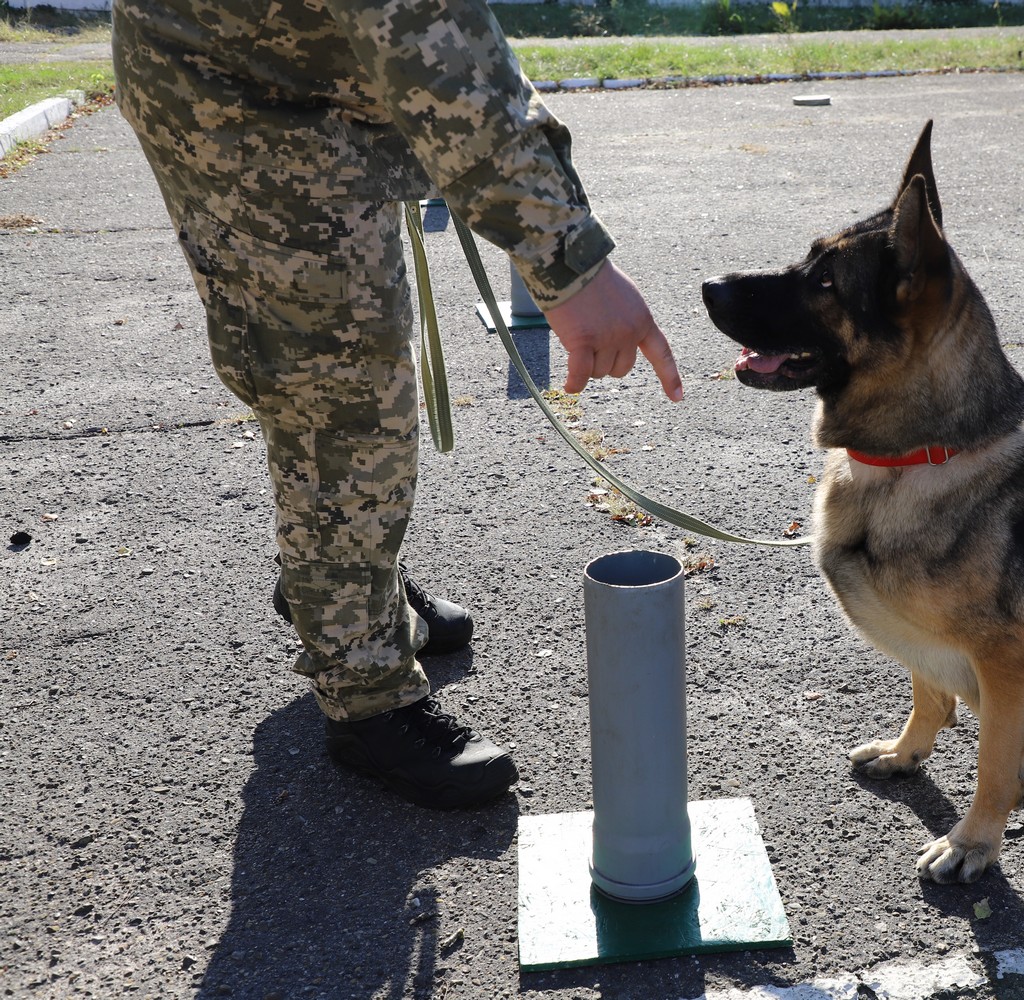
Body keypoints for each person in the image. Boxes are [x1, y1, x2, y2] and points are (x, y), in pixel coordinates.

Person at [112, 0, 683, 809]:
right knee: (339, 401)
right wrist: (571, 260)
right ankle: (365, 693)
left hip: (313, 82)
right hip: (244, 99)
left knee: (360, 370)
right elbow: (438, 46)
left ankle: (345, 583)